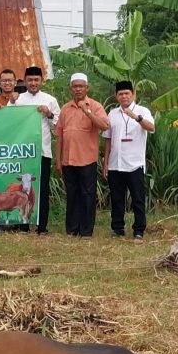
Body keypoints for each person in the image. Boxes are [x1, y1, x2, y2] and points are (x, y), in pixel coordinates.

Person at [54, 73, 109, 237]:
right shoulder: (65, 108)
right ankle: (72, 229)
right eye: (75, 86)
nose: (78, 89)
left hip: (87, 160)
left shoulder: (95, 106)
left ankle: (86, 231)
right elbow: (60, 136)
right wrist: (58, 161)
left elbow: (105, 126)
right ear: (71, 89)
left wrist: (88, 112)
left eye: (81, 86)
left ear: (87, 88)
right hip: (68, 160)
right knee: (72, 195)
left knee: (87, 195)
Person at [103, 80, 155, 240]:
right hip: (115, 164)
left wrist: (136, 118)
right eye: (120, 94)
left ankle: (139, 230)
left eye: (127, 93)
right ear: (116, 96)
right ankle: (117, 228)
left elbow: (151, 127)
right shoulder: (112, 113)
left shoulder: (142, 111)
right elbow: (107, 139)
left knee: (137, 198)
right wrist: (105, 163)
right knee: (117, 198)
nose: (124, 96)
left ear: (133, 94)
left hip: (135, 164)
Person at [14, 66, 60, 235]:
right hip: (23, 152)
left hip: (43, 152)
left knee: (42, 190)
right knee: (22, 190)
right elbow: (11, 123)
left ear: (42, 81)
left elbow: (58, 127)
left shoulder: (50, 100)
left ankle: (42, 227)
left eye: (36, 80)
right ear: (24, 81)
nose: (33, 83)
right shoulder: (18, 101)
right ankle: (23, 224)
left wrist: (48, 114)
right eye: (30, 80)